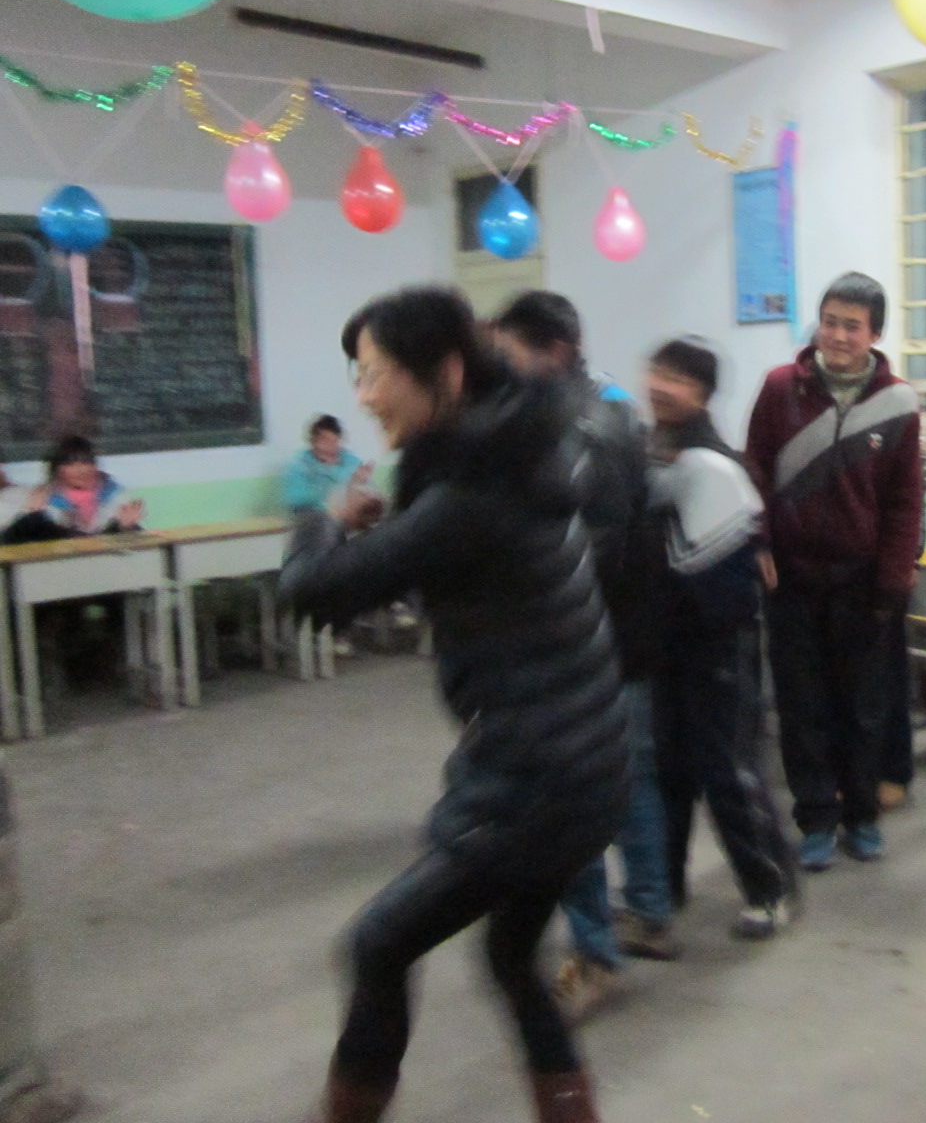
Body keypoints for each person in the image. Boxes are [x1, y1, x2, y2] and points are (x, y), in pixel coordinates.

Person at [278, 287, 626, 1123]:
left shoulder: (474, 492)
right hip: (582, 762)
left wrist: (326, 518)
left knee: (378, 944)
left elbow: (313, 591)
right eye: (358, 376)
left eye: (376, 375)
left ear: (446, 372)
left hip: (539, 778)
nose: (364, 397)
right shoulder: (512, 450)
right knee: (510, 955)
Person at [490, 290, 677, 1023]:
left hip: (585, 643)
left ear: (555, 351)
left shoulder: (576, 426)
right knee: (631, 782)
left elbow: (584, 548)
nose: (501, 366)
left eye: (511, 352)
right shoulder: (612, 408)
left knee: (573, 799)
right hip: (625, 634)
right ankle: (649, 912)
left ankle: (596, 952)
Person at [745, 272, 923, 871]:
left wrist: (893, 579)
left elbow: (905, 500)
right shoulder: (781, 388)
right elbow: (755, 472)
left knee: (864, 709)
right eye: (830, 322)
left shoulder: (898, 402)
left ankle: (862, 815)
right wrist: (759, 541)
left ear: (875, 333)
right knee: (803, 708)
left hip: (862, 582)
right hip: (791, 581)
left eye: (852, 325)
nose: (838, 336)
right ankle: (816, 819)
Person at [645, 338, 799, 937]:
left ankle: (770, 888)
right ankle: (665, 884)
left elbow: (733, 579)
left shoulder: (712, 466)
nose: (661, 386)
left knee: (728, 771)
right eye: (657, 373)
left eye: (677, 379)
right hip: (665, 643)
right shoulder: (653, 453)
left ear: (703, 395)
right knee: (668, 770)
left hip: (718, 647)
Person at [2, 435, 143, 543]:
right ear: (57, 469)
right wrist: (32, 516)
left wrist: (124, 528)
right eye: (70, 463)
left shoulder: (117, 497)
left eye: (86, 461)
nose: (80, 469)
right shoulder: (33, 498)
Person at [284, 415, 368, 513]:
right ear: (313, 442)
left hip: (350, 514)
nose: (329, 447)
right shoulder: (300, 465)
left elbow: (366, 491)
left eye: (334, 442)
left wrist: (359, 483)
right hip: (315, 515)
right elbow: (296, 499)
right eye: (324, 441)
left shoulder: (351, 460)